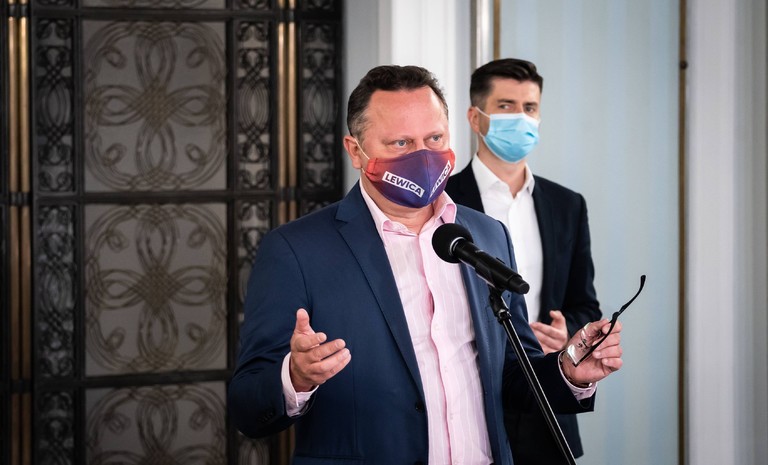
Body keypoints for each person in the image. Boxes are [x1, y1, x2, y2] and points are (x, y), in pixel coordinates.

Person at [229, 65, 622, 465]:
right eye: (400, 143)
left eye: (434, 138)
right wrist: (295, 378)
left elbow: (514, 373)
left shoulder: (488, 235)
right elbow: (247, 406)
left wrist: (569, 370)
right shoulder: (295, 250)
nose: (423, 156)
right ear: (355, 151)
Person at [446, 58, 602, 463]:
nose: (520, 117)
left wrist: (567, 333)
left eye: (529, 108)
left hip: (546, 401)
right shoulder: (443, 201)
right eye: (506, 106)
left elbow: (585, 303)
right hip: (467, 402)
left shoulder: (567, 205)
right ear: (475, 118)